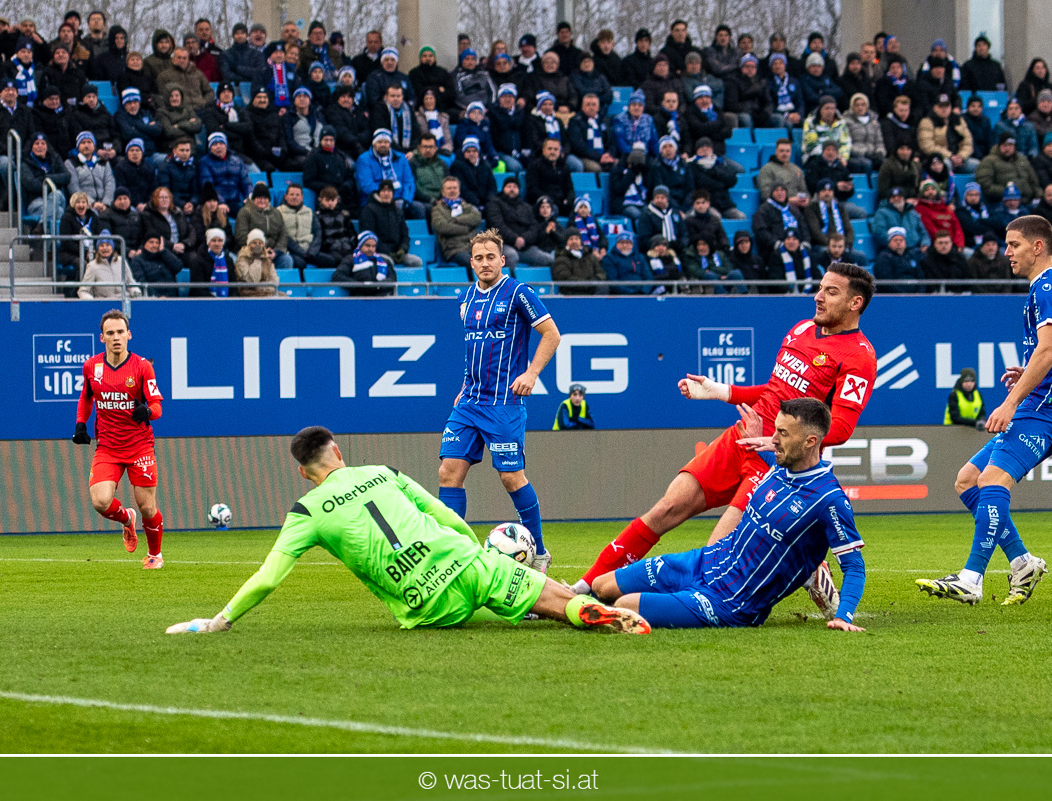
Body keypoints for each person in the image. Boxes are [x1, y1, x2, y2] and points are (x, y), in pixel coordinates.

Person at [572, 263, 877, 606]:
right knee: (666, 508)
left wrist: (778, 440)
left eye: (831, 292)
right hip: (741, 437)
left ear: (855, 303)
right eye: (820, 288)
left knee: (716, 553)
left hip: (776, 460)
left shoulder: (859, 356)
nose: (818, 297)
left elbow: (841, 428)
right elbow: (774, 390)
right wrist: (720, 391)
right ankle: (583, 587)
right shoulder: (802, 329)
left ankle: (797, 569)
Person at [167, 425, 649, 636]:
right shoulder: (382, 471)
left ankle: (575, 607)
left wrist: (220, 620)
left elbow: (268, 577)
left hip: (427, 604)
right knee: (546, 594)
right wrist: (476, 553)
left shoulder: (305, 511)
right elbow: (446, 516)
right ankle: (581, 608)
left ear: (303, 472)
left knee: (478, 597)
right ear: (338, 452)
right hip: (464, 561)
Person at [918, 217, 1052, 606]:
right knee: (968, 480)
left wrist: (1011, 400)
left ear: (1038, 246)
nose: (1007, 252)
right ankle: (1022, 562)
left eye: (1014, 244)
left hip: (1043, 410)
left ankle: (971, 578)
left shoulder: (1047, 287)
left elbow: (1049, 348)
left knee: (992, 481)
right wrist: (1039, 369)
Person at [591, 398, 868, 632]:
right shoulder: (781, 467)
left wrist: (844, 617)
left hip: (730, 601)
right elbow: (766, 454)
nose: (773, 439)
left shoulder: (828, 499)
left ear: (810, 441)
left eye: (783, 434)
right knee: (602, 585)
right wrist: (754, 437)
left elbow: (854, 565)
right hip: (702, 563)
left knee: (625, 605)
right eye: (775, 430)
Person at [438, 230, 562, 573]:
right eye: (478, 258)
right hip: (469, 401)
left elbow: (551, 334)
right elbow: (474, 349)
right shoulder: (465, 299)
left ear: (502, 260)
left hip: (503, 403)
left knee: (511, 477)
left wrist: (532, 374)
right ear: (471, 262)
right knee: (449, 472)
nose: (484, 263)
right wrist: (464, 385)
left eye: (490, 257)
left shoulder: (519, 292)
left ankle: (539, 553)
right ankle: (452, 553)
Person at [72, 310, 165, 569]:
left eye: (120, 332)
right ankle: (126, 519)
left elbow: (157, 406)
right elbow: (86, 397)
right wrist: (80, 424)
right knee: (100, 501)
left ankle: (155, 555)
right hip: (108, 447)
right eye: (110, 333)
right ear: (102, 337)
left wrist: (147, 411)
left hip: (139, 446)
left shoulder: (142, 367)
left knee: (147, 506)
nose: (116, 337)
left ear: (129, 335)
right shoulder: (92, 367)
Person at [431, 177, 481, 268]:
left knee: (492, 260)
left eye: (455, 188)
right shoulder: (437, 210)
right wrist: (467, 228)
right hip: (454, 249)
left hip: (474, 246)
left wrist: (456, 220)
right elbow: (443, 227)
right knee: (472, 262)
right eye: (449, 188)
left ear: (459, 190)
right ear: (442, 191)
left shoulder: (467, 206)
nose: (452, 191)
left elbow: (477, 218)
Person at [77, 233, 141, 300]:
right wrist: (92, 301)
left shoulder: (122, 261)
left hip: (123, 301)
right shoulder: (92, 266)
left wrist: (136, 292)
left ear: (112, 247)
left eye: (107, 245)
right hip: (104, 303)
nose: (105, 248)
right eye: (101, 245)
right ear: (98, 249)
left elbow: (131, 283)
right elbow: (83, 291)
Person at [553, 228, 607, 295]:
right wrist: (586, 284)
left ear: (580, 241)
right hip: (572, 293)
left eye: (577, 239)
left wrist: (593, 281)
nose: (574, 241)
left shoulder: (590, 257)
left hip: (591, 290)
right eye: (571, 239)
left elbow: (601, 273)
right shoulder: (561, 259)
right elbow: (565, 278)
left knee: (603, 287)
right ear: (566, 242)